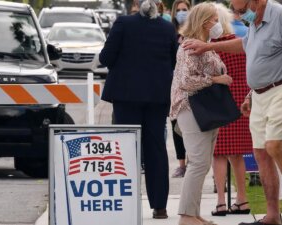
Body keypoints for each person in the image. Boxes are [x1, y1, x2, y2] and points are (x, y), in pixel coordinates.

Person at [183, 0, 282, 225]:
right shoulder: (255, 21)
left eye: (241, 10)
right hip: (260, 94)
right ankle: (273, 215)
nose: (237, 15)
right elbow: (246, 46)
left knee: (275, 145)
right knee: (261, 153)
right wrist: (209, 47)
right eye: (234, 10)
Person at [99, 0, 177, 219]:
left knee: (126, 149)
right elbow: (173, 61)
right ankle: (159, 207)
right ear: (158, 6)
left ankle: (126, 203)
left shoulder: (123, 23)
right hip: (157, 96)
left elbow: (106, 58)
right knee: (157, 150)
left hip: (126, 97)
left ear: (136, 5)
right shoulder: (167, 27)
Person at [170, 3, 232, 225]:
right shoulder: (189, 46)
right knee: (197, 163)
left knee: (202, 164)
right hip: (191, 108)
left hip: (203, 109)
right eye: (215, 19)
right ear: (205, 21)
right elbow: (186, 81)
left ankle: (193, 214)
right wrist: (216, 79)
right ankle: (186, 217)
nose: (218, 23)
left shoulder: (205, 45)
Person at [209, 3, 252, 217]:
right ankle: (242, 200)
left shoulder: (211, 46)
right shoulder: (241, 43)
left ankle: (220, 202)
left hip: (220, 102)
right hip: (241, 100)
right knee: (236, 154)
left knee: (218, 153)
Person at [170, 0, 191, 178]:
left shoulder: (195, 31)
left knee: (192, 124)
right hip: (175, 84)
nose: (182, 13)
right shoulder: (170, 32)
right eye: (179, 10)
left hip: (192, 85)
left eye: (185, 10)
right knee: (176, 124)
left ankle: (192, 160)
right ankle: (181, 163)